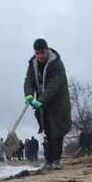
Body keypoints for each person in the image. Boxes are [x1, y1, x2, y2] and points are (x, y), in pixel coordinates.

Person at [23, 38, 72, 169]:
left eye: (42, 52)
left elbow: (54, 86)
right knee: (47, 131)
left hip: (58, 102)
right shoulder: (32, 63)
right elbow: (29, 80)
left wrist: (40, 101)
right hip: (42, 103)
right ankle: (48, 161)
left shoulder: (56, 64)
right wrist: (29, 94)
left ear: (47, 50)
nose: (40, 56)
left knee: (57, 131)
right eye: (37, 53)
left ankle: (56, 160)